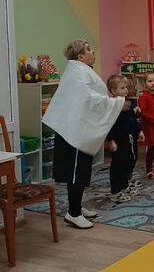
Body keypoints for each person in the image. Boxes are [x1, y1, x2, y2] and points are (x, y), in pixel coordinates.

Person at [43, 39, 125, 229]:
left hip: (77, 129)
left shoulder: (80, 70)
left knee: (81, 169)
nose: (92, 52)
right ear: (80, 56)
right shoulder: (77, 73)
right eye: (88, 49)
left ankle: (77, 207)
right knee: (75, 171)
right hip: (72, 131)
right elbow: (89, 98)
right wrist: (117, 103)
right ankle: (73, 213)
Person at [106, 74, 144, 201]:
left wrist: (139, 131)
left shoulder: (129, 103)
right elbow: (109, 124)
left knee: (130, 161)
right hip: (119, 140)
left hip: (130, 139)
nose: (126, 90)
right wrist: (111, 140)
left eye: (126, 87)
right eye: (122, 88)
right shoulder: (112, 106)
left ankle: (124, 185)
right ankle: (115, 191)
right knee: (118, 165)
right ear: (113, 91)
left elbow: (132, 120)